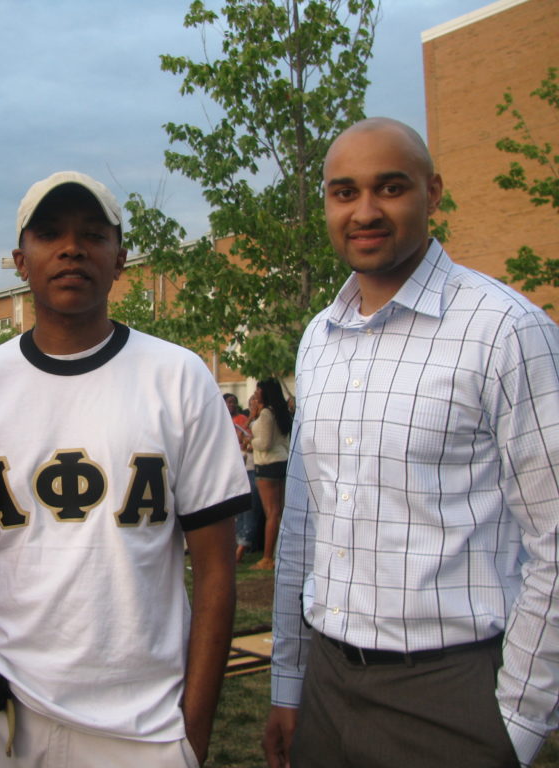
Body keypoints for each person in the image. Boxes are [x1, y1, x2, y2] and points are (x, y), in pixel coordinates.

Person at [0, 171, 251, 768]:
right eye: (50, 234)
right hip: (5, 715)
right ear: (20, 259)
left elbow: (217, 571)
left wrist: (192, 739)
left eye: (94, 234)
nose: (72, 248)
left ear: (120, 259)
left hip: (142, 726)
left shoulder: (177, 376)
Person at [263, 118, 559, 768]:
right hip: (329, 684)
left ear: (433, 192)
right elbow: (306, 527)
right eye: (344, 192)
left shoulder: (506, 331)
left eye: (390, 187)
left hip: (450, 692)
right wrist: (289, 682)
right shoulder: (320, 338)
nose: (365, 211)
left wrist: (515, 721)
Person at [247, 379, 291, 570]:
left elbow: (263, 443)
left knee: (271, 513)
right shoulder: (280, 412)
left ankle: (267, 558)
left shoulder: (266, 414)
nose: (256, 394)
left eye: (258, 391)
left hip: (267, 464)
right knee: (279, 511)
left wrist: (250, 441)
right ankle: (279, 552)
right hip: (281, 461)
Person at [225, 392, 262, 562]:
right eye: (228, 402)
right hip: (232, 465)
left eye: (234, 401)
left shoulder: (243, 418)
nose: (231, 405)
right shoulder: (222, 419)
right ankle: (237, 542)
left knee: (249, 507)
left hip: (249, 464)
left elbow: (247, 438)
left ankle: (245, 544)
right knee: (236, 510)